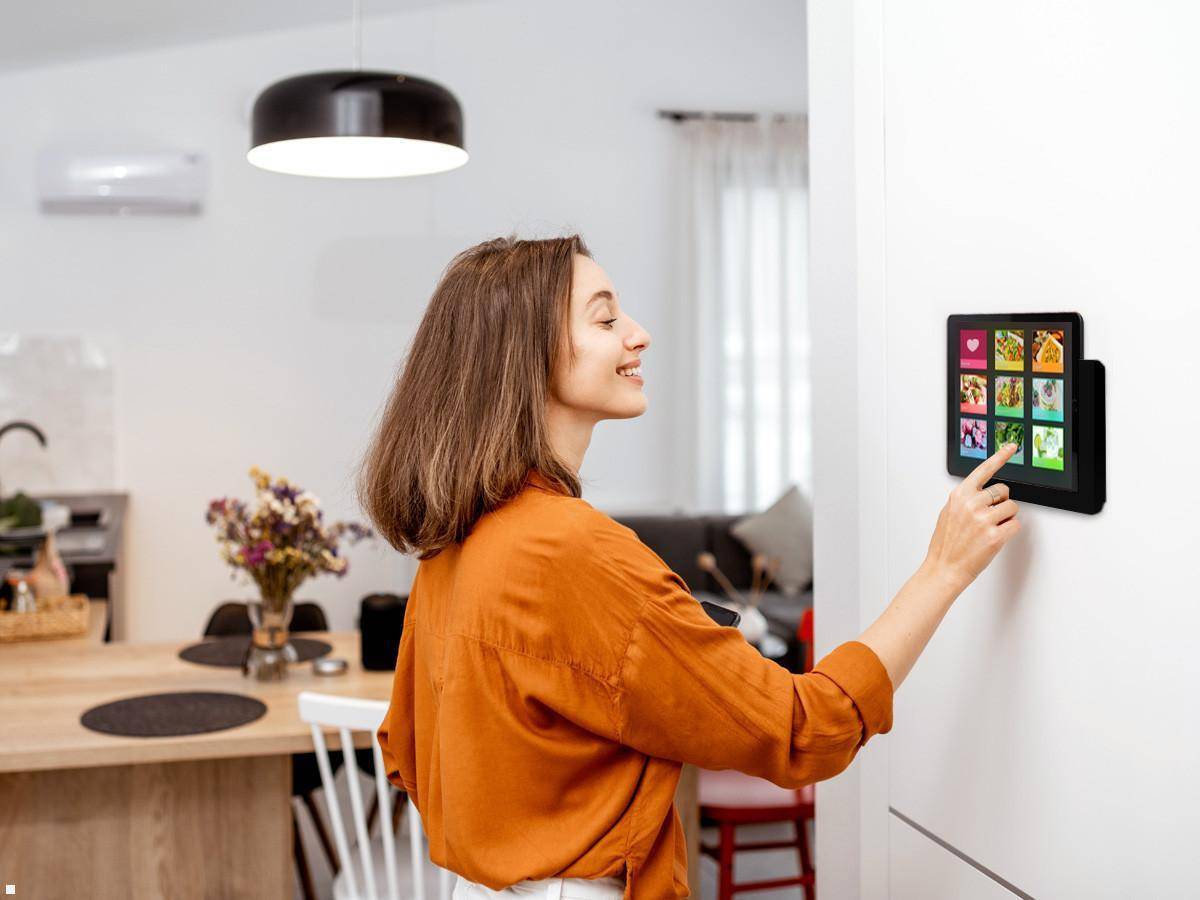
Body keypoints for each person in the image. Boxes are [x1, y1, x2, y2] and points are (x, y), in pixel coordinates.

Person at [358, 235, 1021, 900]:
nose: (638, 334)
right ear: (525, 354)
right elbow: (803, 728)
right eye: (606, 317)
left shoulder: (455, 540)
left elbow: (408, 752)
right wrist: (943, 569)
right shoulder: (570, 549)